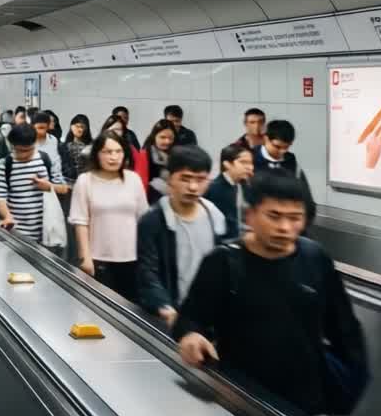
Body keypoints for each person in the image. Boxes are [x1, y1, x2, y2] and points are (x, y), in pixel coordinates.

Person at [174, 171, 367, 416]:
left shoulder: (315, 259)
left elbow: (344, 329)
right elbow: (190, 317)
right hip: (238, 399)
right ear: (250, 215)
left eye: (294, 217)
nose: (285, 227)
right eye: (274, 216)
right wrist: (191, 335)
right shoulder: (223, 261)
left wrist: (348, 386)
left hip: (307, 406)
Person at [136, 146, 228, 328]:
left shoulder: (215, 215)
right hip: (171, 316)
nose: (193, 187)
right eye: (185, 179)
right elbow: (147, 273)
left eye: (201, 180)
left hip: (210, 316)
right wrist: (166, 309)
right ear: (170, 179)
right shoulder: (152, 220)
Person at [68, 132, 148, 300]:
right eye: (107, 152)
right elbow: (80, 221)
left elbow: (143, 218)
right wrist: (85, 257)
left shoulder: (133, 179)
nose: (114, 157)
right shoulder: (85, 181)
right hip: (98, 258)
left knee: (130, 310)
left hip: (131, 259)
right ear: (97, 154)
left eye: (118, 151)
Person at [0, 124, 68, 246]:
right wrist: (7, 216)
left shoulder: (45, 159)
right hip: (17, 233)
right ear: (12, 145)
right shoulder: (5, 164)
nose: (24, 155)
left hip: (46, 234)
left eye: (28, 150)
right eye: (19, 150)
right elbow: (0, 198)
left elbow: (64, 189)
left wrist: (49, 187)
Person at [251, 119, 317, 228]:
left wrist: (301, 227)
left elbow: (307, 201)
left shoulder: (292, 164)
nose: (282, 152)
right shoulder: (248, 160)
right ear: (266, 139)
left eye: (286, 147)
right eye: (277, 146)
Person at [204, 145, 254, 240]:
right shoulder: (214, 188)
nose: (250, 167)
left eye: (251, 163)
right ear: (227, 164)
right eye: (244, 162)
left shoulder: (245, 186)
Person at [101, 114, 148, 188]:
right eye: (112, 130)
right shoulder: (97, 149)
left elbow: (139, 174)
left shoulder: (131, 149)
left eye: (119, 130)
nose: (115, 133)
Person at [142, 119, 177, 203]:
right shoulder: (146, 154)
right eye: (162, 137)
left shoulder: (177, 153)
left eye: (170, 138)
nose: (167, 141)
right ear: (154, 136)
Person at [64, 114, 93, 184]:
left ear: (87, 128)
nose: (80, 129)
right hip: (68, 183)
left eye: (82, 127)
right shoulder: (64, 146)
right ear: (71, 126)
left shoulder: (92, 146)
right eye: (77, 126)